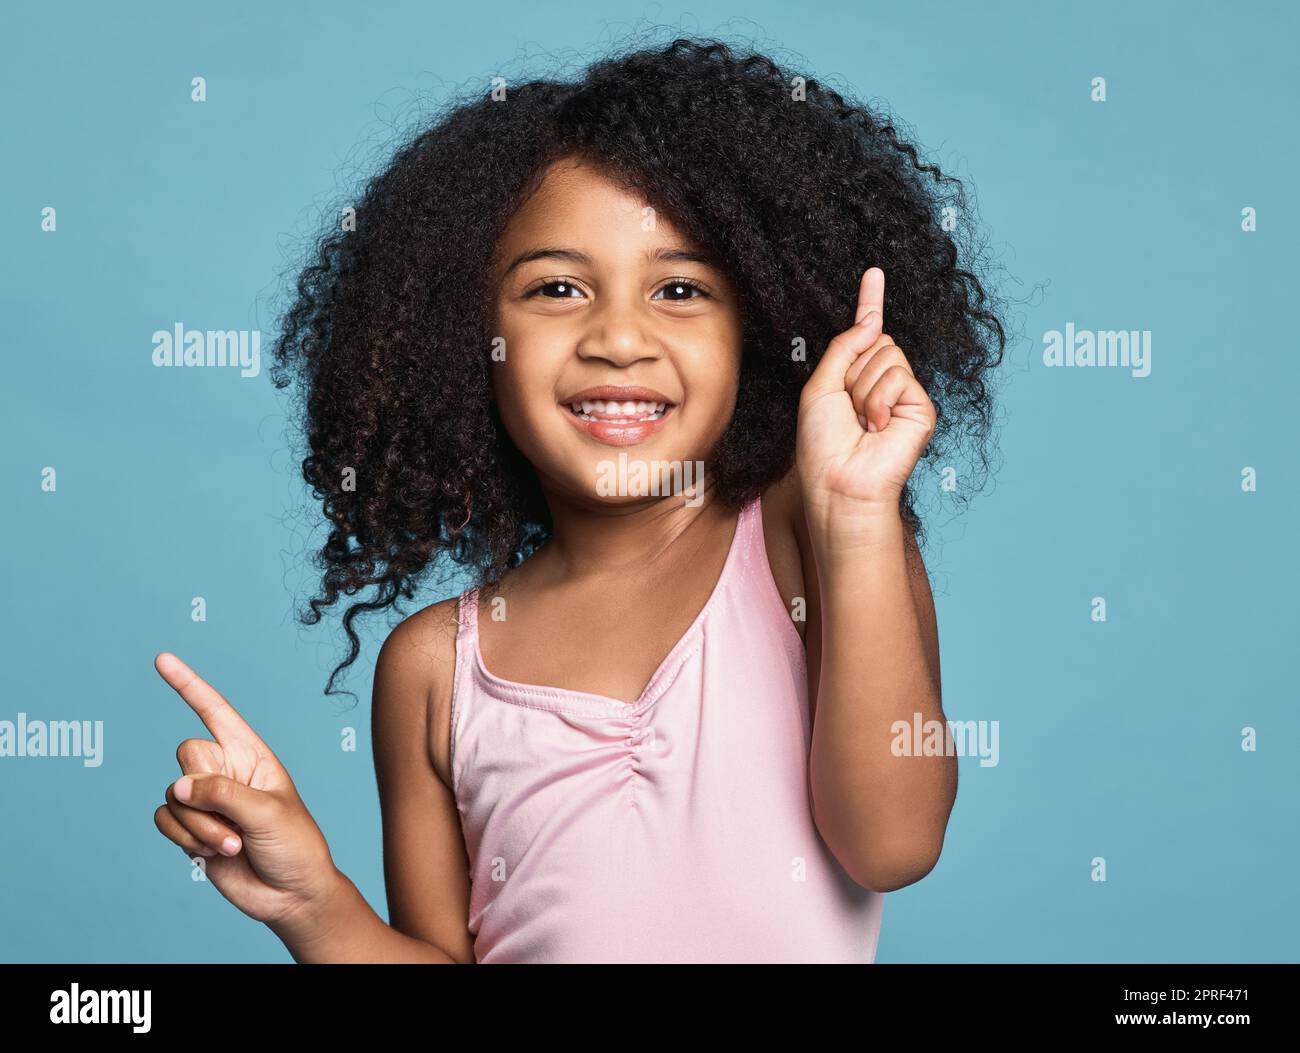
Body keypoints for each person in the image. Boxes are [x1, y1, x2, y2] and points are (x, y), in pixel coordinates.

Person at [152, 36, 1005, 963]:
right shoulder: (435, 668)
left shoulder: (813, 531)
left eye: (679, 289)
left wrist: (857, 514)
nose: (618, 339)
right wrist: (314, 903)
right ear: (463, 332)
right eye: (556, 288)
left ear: (754, 325)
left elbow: (894, 841)